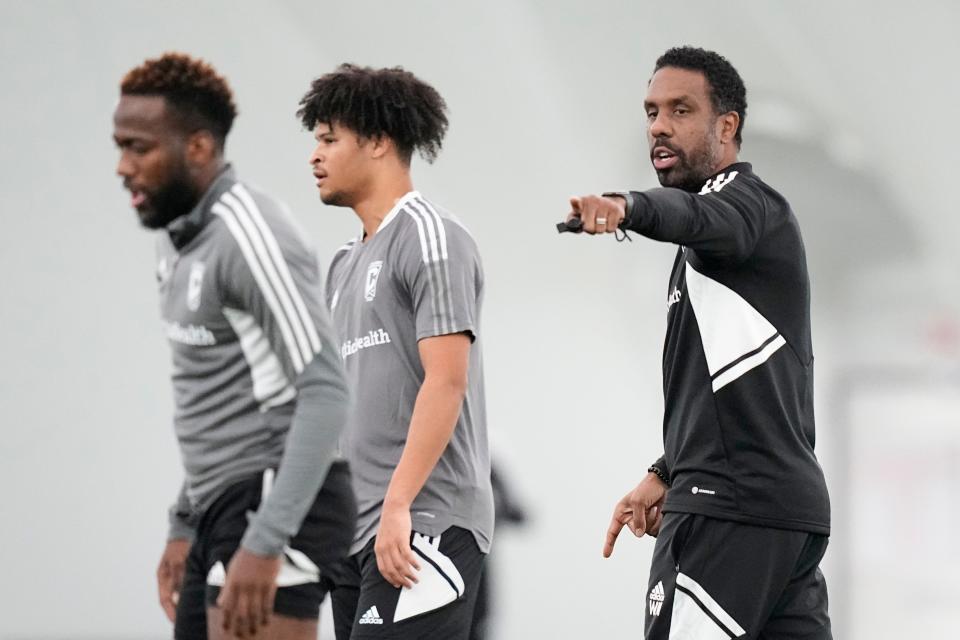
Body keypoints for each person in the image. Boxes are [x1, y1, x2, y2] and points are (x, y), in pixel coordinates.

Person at [565, 46, 832, 639]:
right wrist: (666, 470)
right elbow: (729, 395)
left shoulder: (746, 208)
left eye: (680, 110)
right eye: (651, 111)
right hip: (783, 512)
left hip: (730, 512)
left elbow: (692, 215)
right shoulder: (722, 249)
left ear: (727, 126)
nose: (659, 126)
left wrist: (628, 207)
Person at [112, 52, 356, 640]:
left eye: (139, 148)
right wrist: (183, 522)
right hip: (217, 508)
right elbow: (216, 400)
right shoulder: (175, 240)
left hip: (277, 499)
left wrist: (267, 539)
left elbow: (324, 393)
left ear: (197, 148)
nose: (122, 166)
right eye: (119, 146)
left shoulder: (250, 234)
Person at [296, 64, 494, 640]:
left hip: (422, 520)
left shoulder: (431, 236)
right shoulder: (340, 265)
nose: (315, 155)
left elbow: (447, 382)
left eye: (329, 139)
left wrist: (397, 506)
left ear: (379, 142)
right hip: (355, 535)